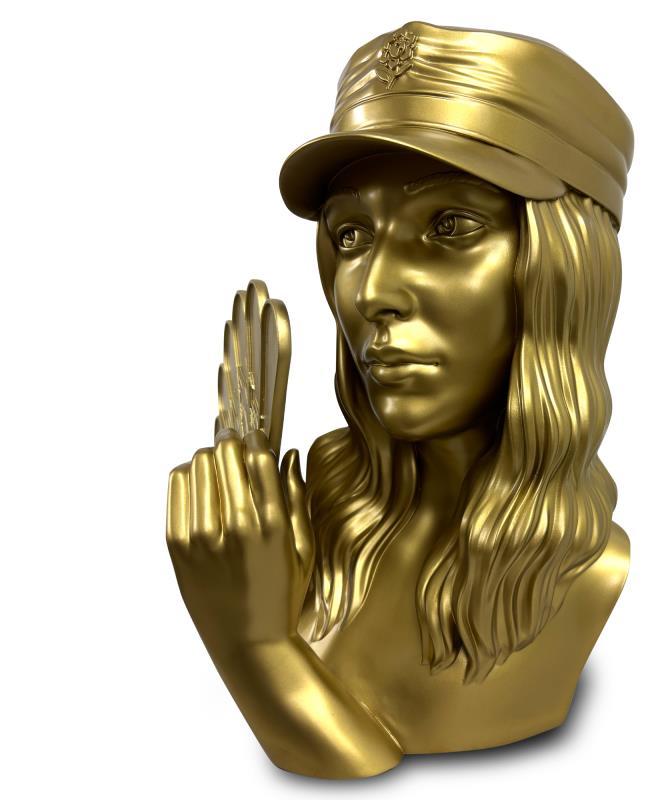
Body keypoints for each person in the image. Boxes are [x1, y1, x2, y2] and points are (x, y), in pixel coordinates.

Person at [166, 21, 634, 779]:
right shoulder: (308, 521)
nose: (372, 291)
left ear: (564, 269)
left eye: (450, 226)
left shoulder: (592, 571)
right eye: (351, 235)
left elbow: (365, 766)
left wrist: (253, 646)